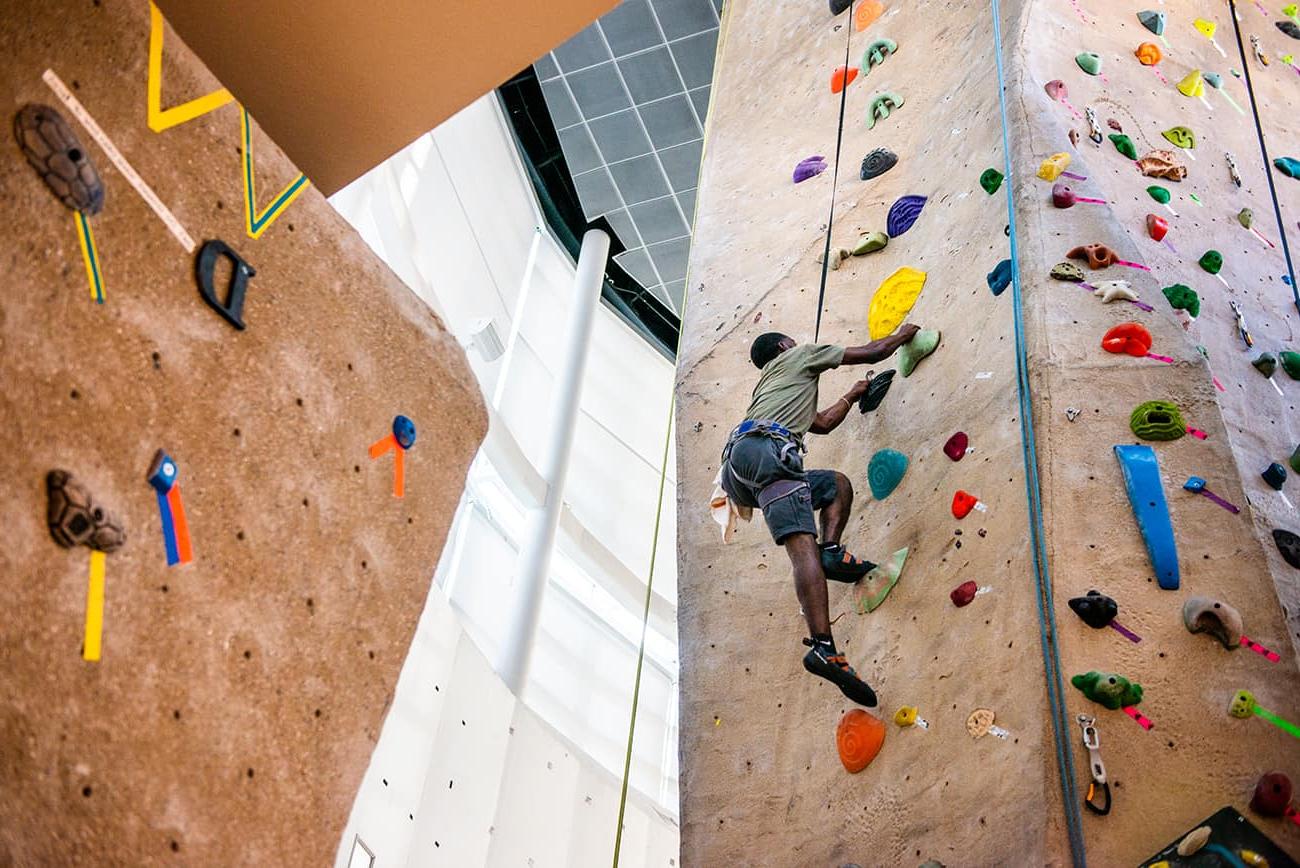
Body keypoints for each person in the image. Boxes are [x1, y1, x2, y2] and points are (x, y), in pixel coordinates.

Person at [718, 324, 920, 707]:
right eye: (792, 342)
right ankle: (823, 646)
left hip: (743, 466)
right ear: (784, 346)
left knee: (834, 486)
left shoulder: (774, 389)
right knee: (801, 548)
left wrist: (852, 394)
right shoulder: (799, 355)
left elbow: (822, 423)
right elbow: (873, 352)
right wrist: (903, 334)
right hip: (765, 452)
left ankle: (832, 551)